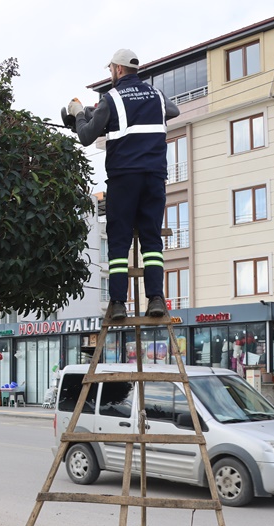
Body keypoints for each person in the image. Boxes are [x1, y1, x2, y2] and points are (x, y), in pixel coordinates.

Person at [69, 48, 180, 322]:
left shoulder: (112, 98)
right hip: (155, 178)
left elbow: (85, 136)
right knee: (151, 241)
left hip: (124, 178)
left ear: (118, 69)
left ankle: (118, 303)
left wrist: (79, 113)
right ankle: (156, 299)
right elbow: (173, 110)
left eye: (110, 70)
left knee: (119, 242)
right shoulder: (156, 95)